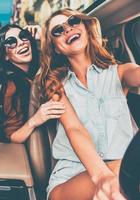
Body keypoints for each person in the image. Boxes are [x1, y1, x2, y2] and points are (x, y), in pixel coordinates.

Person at [32, 8, 140, 199]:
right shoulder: (54, 83)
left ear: (86, 28)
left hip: (126, 170)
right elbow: (74, 128)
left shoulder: (121, 72)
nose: (67, 29)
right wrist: (102, 177)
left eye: (73, 21)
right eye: (57, 30)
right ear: (56, 47)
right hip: (71, 178)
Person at [0, 24, 65, 143]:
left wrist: (42, 37)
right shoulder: (11, 86)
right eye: (11, 42)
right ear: (6, 55)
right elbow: (13, 136)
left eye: (23, 36)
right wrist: (36, 119)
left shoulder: (38, 72)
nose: (21, 42)